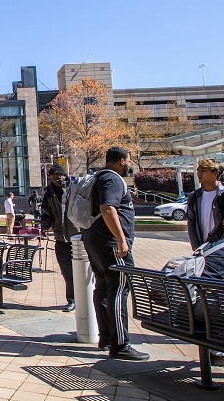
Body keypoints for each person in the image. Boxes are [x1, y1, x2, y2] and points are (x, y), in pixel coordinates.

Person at [82, 146, 149, 361]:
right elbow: (108, 208)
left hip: (95, 241)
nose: (129, 164)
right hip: (110, 243)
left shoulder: (98, 177)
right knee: (119, 289)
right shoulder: (112, 179)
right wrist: (121, 240)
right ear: (121, 160)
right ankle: (120, 344)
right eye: (129, 160)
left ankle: (107, 338)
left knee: (102, 288)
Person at [185, 158, 224, 251]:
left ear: (216, 173)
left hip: (222, 250)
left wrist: (221, 249)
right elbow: (191, 222)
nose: (199, 174)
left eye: (204, 171)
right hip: (202, 249)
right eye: (198, 170)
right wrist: (196, 246)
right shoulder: (194, 196)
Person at [42, 165, 77, 312]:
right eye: (54, 178)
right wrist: (44, 226)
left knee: (85, 271)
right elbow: (46, 212)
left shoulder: (75, 188)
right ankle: (72, 299)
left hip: (78, 237)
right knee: (67, 272)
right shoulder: (48, 193)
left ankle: (87, 298)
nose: (57, 180)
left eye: (60, 177)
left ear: (65, 175)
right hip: (61, 238)